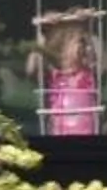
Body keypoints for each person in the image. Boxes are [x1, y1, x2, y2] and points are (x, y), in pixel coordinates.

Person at [28, 9, 103, 137]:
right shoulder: (54, 76)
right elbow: (31, 68)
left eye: (83, 41)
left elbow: (100, 60)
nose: (82, 46)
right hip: (59, 133)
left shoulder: (87, 73)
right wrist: (43, 33)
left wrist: (87, 30)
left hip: (87, 134)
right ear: (60, 48)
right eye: (75, 40)